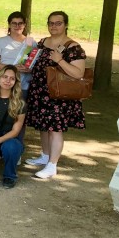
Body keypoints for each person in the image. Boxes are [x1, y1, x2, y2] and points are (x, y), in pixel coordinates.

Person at [25, 11, 86, 179]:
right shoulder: (43, 42)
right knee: (43, 127)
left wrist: (60, 60)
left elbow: (78, 73)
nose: (54, 26)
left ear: (66, 24)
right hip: (40, 91)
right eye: (51, 23)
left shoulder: (73, 47)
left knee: (55, 129)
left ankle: (52, 165)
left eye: (58, 23)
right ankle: (45, 155)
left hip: (59, 95)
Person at [0, 11, 35, 97]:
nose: (17, 26)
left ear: (24, 25)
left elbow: (34, 65)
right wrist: (13, 67)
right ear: (9, 25)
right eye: (14, 23)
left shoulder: (31, 42)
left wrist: (29, 70)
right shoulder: (1, 41)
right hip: (4, 84)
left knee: (20, 109)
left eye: (20, 23)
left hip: (23, 86)